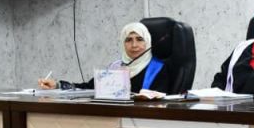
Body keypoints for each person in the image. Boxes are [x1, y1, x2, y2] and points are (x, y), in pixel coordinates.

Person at [39, 21, 175, 93]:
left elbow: (159, 100)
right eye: (128, 40)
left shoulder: (158, 68)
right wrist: (57, 85)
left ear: (148, 42)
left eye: (140, 39)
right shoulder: (116, 67)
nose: (134, 45)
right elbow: (89, 87)